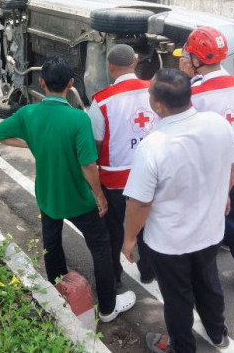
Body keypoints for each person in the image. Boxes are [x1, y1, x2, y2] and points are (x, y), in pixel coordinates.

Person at [0, 56, 136, 323]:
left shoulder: (28, 113)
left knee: (52, 244)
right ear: (70, 84)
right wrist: (100, 196)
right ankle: (107, 307)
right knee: (101, 247)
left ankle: (60, 292)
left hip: (48, 196)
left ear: (42, 82)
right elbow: (88, 165)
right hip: (79, 199)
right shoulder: (78, 118)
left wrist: (31, 144)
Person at [122, 68, 234, 353]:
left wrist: (129, 238)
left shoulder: (154, 146)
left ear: (158, 105)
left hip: (171, 243)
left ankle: (182, 348)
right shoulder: (217, 124)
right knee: (209, 284)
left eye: (149, 92)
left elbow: (139, 203)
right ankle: (217, 333)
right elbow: (229, 165)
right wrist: (225, 194)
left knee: (178, 298)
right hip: (210, 232)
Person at [174, 26, 234, 296]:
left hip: (210, 171)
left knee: (215, 219)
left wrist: (185, 79)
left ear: (196, 60)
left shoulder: (195, 93)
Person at [87, 44, 156, 286]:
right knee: (147, 224)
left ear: (110, 67)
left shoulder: (101, 101)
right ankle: (148, 271)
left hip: (115, 179)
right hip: (149, 174)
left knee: (114, 229)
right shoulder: (154, 90)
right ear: (135, 63)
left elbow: (95, 144)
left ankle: (115, 277)